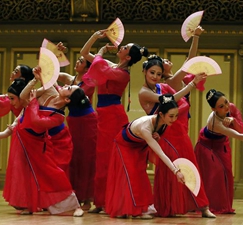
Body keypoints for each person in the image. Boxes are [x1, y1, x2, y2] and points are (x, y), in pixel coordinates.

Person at [0, 78, 85, 216]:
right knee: (24, 175)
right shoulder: (48, 92)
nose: (66, 85)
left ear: (67, 100)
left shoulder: (58, 117)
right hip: (23, 143)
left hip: (39, 145)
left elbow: (37, 121)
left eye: (69, 88)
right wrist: (35, 79)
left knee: (53, 174)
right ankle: (28, 205)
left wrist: (32, 103)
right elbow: (22, 99)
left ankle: (75, 205)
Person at [80, 29, 149, 213]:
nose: (121, 46)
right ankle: (100, 201)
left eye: (125, 47)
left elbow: (100, 66)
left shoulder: (122, 74)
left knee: (111, 159)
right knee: (101, 160)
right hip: (103, 115)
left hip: (113, 116)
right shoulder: (113, 66)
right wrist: (95, 37)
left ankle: (116, 199)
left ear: (127, 57)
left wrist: (101, 53)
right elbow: (85, 54)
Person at [139, 54, 215, 218]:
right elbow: (171, 101)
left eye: (159, 74)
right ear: (144, 71)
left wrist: (195, 38)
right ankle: (168, 206)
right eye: (152, 72)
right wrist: (193, 84)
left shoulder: (163, 86)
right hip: (164, 135)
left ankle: (203, 206)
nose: (155, 77)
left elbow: (182, 102)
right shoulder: (143, 93)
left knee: (192, 167)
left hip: (180, 131)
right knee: (170, 170)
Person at [105, 94, 185, 219]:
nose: (174, 119)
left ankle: (138, 208)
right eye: (171, 116)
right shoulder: (145, 127)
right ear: (161, 115)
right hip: (124, 145)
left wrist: (157, 137)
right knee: (131, 175)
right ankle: (132, 211)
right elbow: (160, 152)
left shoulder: (164, 123)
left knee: (140, 175)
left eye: (176, 116)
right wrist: (176, 171)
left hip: (139, 146)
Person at [194, 89, 243, 214]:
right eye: (221, 106)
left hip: (222, 144)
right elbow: (238, 136)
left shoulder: (231, 108)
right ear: (214, 109)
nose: (226, 107)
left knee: (227, 173)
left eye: (226, 102)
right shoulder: (215, 123)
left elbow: (241, 128)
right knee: (214, 177)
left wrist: (233, 120)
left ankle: (225, 206)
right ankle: (211, 206)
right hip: (207, 147)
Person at [56, 44, 97, 210]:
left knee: (87, 158)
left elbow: (71, 96)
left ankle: (87, 197)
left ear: (87, 67)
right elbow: (50, 75)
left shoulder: (90, 81)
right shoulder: (69, 79)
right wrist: (57, 55)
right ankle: (74, 195)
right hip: (73, 119)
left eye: (81, 61)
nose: (78, 62)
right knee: (73, 158)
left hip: (87, 121)